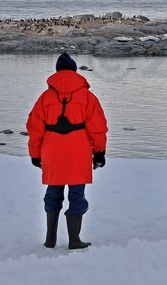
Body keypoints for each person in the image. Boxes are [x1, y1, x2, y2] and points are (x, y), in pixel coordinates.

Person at [27, 52, 107, 250]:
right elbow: (98, 127)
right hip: (78, 152)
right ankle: (74, 240)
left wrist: (35, 154)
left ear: (57, 72)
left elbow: (34, 128)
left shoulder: (45, 97)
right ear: (74, 71)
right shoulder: (87, 97)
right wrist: (99, 152)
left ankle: (50, 240)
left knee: (53, 193)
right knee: (77, 194)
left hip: (52, 151)